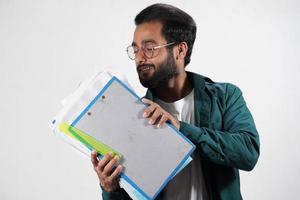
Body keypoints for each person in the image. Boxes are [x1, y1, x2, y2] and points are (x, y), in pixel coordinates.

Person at [90, 3, 260, 200]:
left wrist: (181, 129)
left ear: (180, 50)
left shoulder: (225, 96)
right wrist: (111, 189)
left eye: (149, 48)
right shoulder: (133, 115)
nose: (139, 58)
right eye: (135, 50)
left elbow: (248, 153)